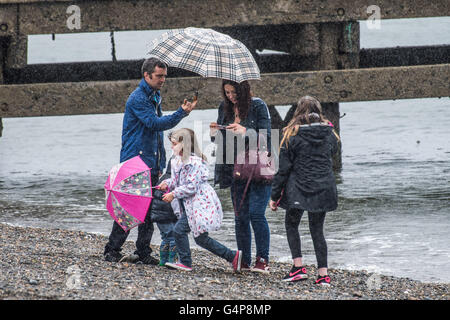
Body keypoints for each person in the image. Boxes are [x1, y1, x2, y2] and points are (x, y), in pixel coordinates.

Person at [103, 57, 197, 264]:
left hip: (151, 161)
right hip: (135, 162)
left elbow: (153, 132)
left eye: (165, 76)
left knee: (148, 211)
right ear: (147, 75)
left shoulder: (155, 95)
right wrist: (181, 113)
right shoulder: (138, 98)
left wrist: (162, 159)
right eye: (159, 76)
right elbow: (154, 124)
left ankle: (143, 251)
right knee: (129, 208)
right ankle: (112, 249)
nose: (163, 79)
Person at [269, 95, 340, 285]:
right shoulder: (330, 133)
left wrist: (274, 196)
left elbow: (283, 170)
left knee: (292, 224)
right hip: (324, 187)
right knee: (317, 230)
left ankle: (298, 267)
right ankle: (323, 274)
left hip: (298, 188)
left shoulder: (291, 134)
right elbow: (333, 152)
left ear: (297, 112)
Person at [158, 128, 242, 272]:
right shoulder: (177, 161)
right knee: (200, 239)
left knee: (179, 230)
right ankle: (232, 256)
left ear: (184, 144)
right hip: (188, 204)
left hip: (199, 203)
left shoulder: (194, 162)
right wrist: (168, 183)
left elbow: (191, 186)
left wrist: (173, 194)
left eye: (174, 143)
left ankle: (185, 262)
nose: (171, 147)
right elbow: (179, 180)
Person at [210, 80, 272, 273]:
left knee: (256, 214)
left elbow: (268, 137)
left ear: (243, 90)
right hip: (234, 168)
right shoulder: (224, 107)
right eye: (227, 92)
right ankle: (244, 259)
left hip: (258, 168)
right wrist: (215, 133)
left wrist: (245, 131)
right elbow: (221, 140)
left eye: (234, 92)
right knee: (240, 216)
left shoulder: (258, 105)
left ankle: (262, 259)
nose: (231, 96)